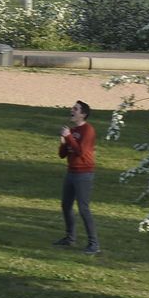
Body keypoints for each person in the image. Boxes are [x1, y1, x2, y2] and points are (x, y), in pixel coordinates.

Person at [55, 100, 99, 253]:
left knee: (83, 209)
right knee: (66, 206)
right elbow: (62, 154)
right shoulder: (72, 131)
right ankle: (70, 238)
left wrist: (68, 137)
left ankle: (94, 244)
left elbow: (80, 151)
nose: (71, 110)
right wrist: (63, 140)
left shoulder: (88, 130)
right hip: (71, 172)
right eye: (72, 108)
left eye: (75, 109)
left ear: (83, 114)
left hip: (84, 174)